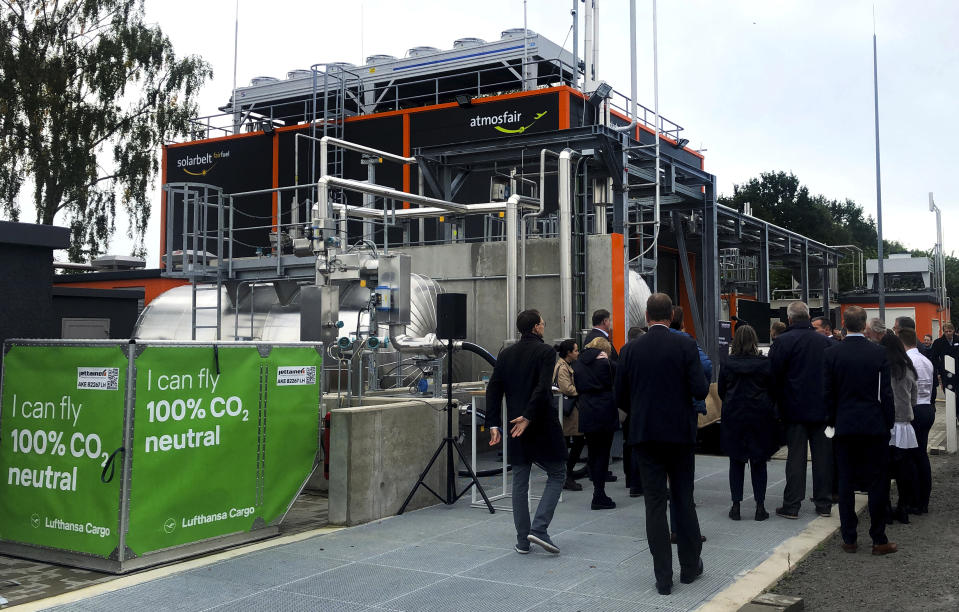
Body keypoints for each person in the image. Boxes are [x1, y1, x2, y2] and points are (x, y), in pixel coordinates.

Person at [615, 293, 709, 595]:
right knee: (683, 499)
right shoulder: (685, 344)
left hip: (645, 434)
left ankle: (663, 578)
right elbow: (699, 387)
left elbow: (619, 395)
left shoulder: (630, 349)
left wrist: (641, 410)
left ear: (646, 315)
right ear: (670, 315)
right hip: (680, 433)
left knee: (654, 505)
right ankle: (690, 567)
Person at [486, 310, 567, 555]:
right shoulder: (546, 352)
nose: (544, 326)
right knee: (558, 473)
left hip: (514, 425)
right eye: (542, 323)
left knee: (520, 482)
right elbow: (543, 388)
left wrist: (493, 424)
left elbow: (494, 388)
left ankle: (523, 540)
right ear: (535, 328)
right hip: (541, 423)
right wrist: (529, 416)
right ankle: (539, 529)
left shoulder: (506, 354)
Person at [824, 305, 897, 556]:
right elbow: (886, 393)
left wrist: (831, 422)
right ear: (865, 325)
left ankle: (849, 538)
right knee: (877, 482)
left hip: (844, 425)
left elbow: (828, 392)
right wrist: (888, 422)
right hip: (873, 425)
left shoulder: (832, 353)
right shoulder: (878, 353)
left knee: (845, 482)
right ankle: (878, 538)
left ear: (844, 323)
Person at [768, 301, 833, 519]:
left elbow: (773, 376)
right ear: (808, 316)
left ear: (789, 319)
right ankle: (824, 503)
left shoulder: (782, 342)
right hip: (822, 409)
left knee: (795, 457)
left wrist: (777, 404)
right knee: (822, 457)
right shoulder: (825, 342)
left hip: (793, 409)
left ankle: (792, 505)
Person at [718, 325, 778, 522]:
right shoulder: (765, 363)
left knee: (736, 461)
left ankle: (736, 506)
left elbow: (721, 390)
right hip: (759, 415)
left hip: (734, 414)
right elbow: (773, 389)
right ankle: (760, 507)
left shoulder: (727, 363)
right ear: (754, 341)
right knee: (758, 461)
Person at [573, 336, 619, 510]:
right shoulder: (607, 364)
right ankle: (599, 494)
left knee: (593, 452)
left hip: (586, 411)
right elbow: (616, 382)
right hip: (605, 411)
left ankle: (597, 491)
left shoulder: (578, 363)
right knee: (603, 453)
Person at [879, 332, 918, 524]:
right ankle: (903, 507)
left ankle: (885, 508)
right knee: (904, 470)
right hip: (904, 424)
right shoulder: (908, 369)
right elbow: (914, 399)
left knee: (883, 470)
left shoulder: (881, 369)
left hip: (885, 424)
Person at [900, 328, 935, 514]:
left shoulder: (908, 361)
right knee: (921, 455)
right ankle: (923, 500)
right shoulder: (926, 360)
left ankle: (915, 500)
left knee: (912, 456)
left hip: (915, 409)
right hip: (927, 406)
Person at [553, 339, 584, 492]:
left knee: (569, 442)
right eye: (576, 350)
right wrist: (582, 390)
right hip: (568, 412)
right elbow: (567, 388)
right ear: (569, 353)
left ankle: (566, 474)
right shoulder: (562, 367)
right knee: (576, 440)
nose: (578, 353)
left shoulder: (564, 365)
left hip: (568, 411)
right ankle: (567, 474)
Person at [932, 322, 959, 394]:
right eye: (946, 331)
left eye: (950, 331)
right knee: (948, 392)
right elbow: (934, 358)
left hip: (957, 370)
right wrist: (939, 369)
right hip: (945, 371)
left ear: (953, 330)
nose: (948, 333)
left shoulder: (958, 340)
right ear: (943, 331)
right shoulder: (938, 342)